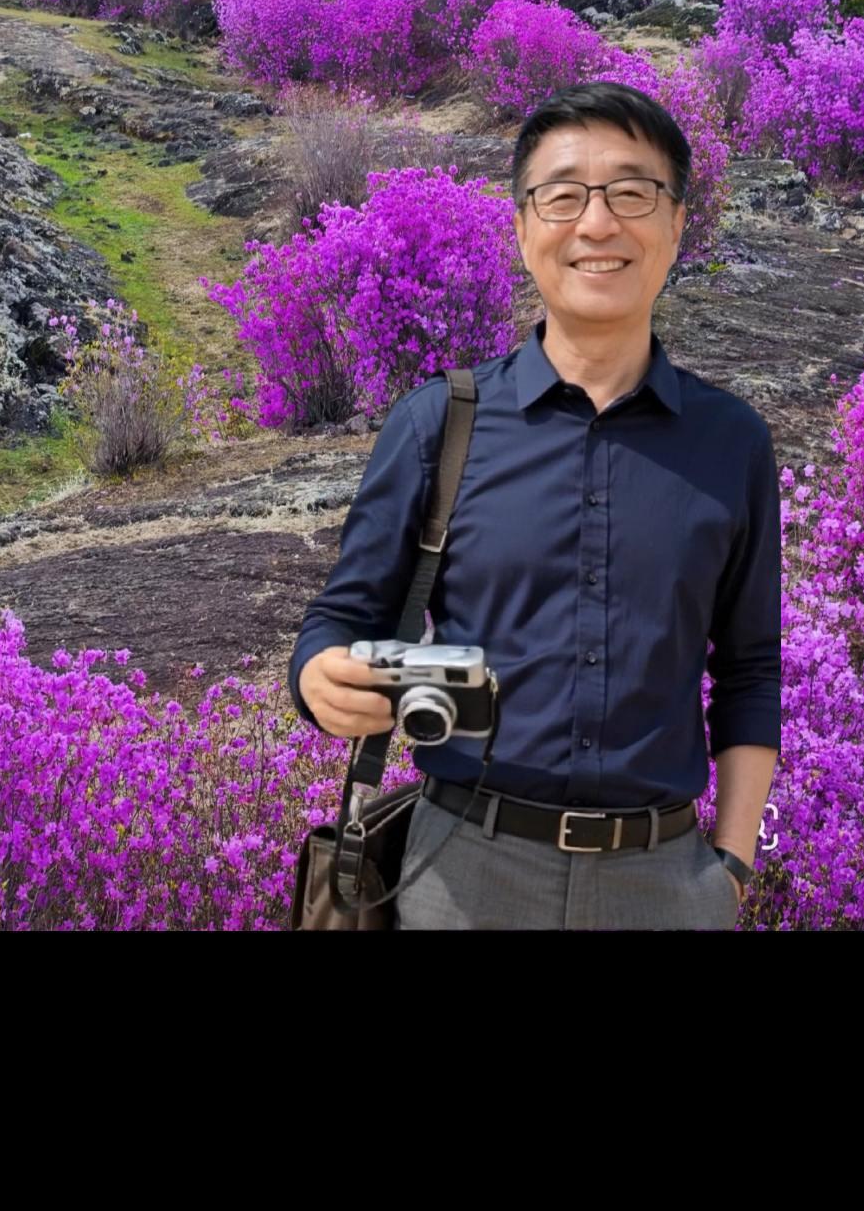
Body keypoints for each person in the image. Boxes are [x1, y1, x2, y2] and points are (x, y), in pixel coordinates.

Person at [288, 81, 781, 930]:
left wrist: (730, 868)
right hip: (461, 871)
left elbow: (749, 671)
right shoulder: (437, 422)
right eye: (562, 196)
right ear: (523, 230)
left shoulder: (732, 442)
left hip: (664, 884)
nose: (597, 225)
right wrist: (317, 678)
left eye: (633, 193)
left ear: (675, 229)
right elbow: (342, 618)